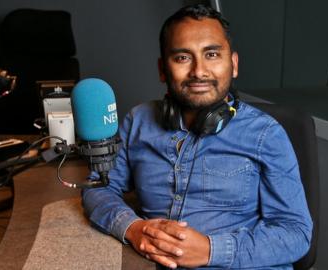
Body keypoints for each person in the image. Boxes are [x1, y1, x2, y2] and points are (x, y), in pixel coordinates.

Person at [82, 4, 312, 269]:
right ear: (162, 69)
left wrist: (211, 251)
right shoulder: (138, 121)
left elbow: (296, 233)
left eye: (212, 54)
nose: (199, 71)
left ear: (233, 64)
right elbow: (98, 187)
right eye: (182, 58)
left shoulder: (266, 134)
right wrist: (132, 228)